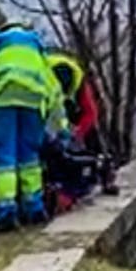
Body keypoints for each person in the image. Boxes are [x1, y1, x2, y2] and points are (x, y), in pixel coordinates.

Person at [0, 23, 70, 231]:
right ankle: (34, 207)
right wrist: (63, 128)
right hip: (33, 101)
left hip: (2, 100)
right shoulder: (37, 48)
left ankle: (6, 210)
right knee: (30, 158)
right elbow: (54, 89)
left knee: (5, 159)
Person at [47, 51, 120, 195]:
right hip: (46, 97)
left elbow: (91, 113)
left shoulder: (78, 81)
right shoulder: (42, 78)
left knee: (90, 132)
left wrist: (77, 135)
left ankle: (104, 168)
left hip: (66, 93)